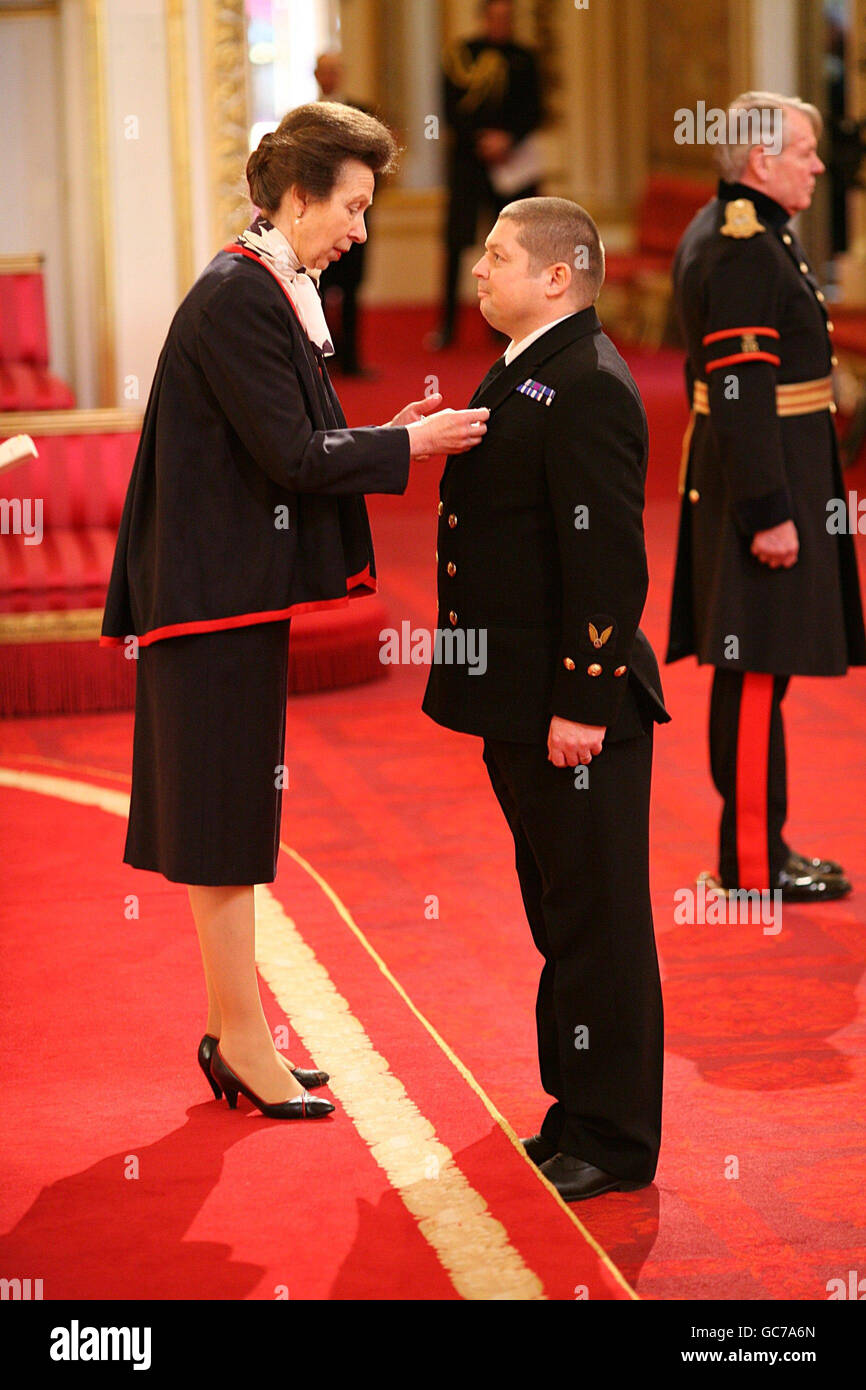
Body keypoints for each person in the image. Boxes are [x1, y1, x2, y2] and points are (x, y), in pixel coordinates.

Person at [99, 102, 489, 1123]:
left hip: (224, 591)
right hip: (210, 598)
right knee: (224, 827)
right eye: (351, 207)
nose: (358, 230)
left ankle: (240, 1028)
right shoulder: (240, 295)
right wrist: (414, 448)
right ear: (298, 195)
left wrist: (381, 433)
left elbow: (287, 434)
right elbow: (288, 457)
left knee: (232, 820)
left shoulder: (265, 285)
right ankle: (237, 1035)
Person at [422, 197, 670, 1201]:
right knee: (558, 913)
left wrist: (582, 700)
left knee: (598, 922)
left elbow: (608, 565)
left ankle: (613, 1139)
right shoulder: (530, 362)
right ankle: (574, 1106)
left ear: (557, 275)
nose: (477, 269)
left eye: (497, 255)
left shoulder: (587, 385)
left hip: (572, 710)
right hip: (520, 700)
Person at [666, 91, 866, 902]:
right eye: (806, 150)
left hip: (765, 470)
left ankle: (765, 848)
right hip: (761, 481)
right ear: (760, 162)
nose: (820, 164)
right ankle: (752, 862)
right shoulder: (744, 246)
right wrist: (769, 514)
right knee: (753, 672)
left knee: (762, 671)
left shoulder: (747, 228)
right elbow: (741, 389)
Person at [428, 0, 542, 350]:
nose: (500, 23)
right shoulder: (461, 54)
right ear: (484, 18)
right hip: (467, 163)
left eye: (506, 18)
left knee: (511, 247)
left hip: (513, 165)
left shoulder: (526, 59)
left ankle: (505, 324)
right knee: (456, 241)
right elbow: (448, 108)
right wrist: (480, 141)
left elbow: (535, 109)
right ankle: (447, 327)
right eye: (495, 17)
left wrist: (507, 138)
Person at [314, 52, 376, 377]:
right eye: (325, 71)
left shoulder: (361, 114)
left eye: (335, 70)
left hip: (354, 216)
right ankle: (318, 363)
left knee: (352, 289)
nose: (330, 76)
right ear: (316, 75)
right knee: (315, 288)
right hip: (320, 218)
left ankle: (351, 359)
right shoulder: (306, 119)